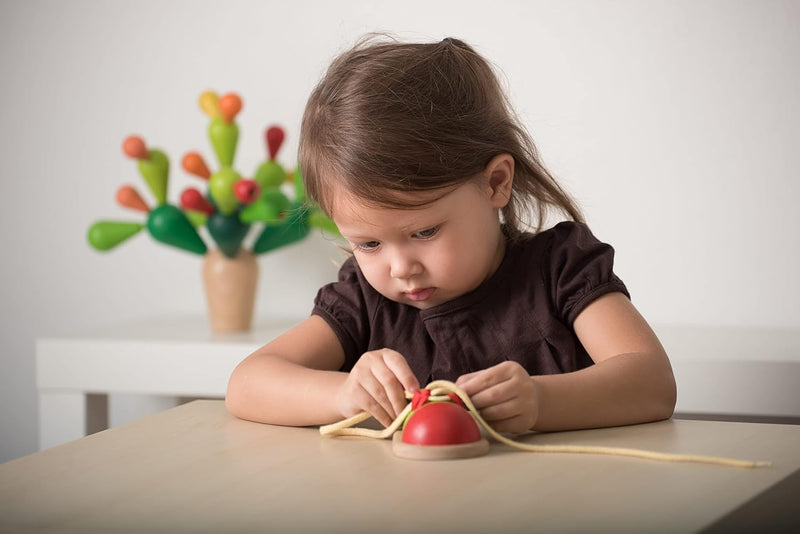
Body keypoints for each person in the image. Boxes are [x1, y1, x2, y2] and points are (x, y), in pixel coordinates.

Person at [226, 36, 676, 434]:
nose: (401, 268)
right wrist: (344, 393)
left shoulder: (559, 270)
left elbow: (651, 382)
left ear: (495, 183)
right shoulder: (364, 300)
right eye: (368, 244)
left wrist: (541, 402)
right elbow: (247, 384)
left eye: (424, 231)